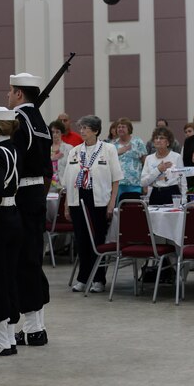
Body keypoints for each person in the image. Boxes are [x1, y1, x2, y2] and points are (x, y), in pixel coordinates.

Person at [8, 72, 52, 347]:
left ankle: (28, 327)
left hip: (21, 193)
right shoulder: (41, 122)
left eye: (10, 91)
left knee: (20, 260)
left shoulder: (18, 120)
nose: (8, 96)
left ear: (19, 94)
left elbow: (14, 161)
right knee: (32, 258)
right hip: (37, 193)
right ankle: (36, 325)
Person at [63, 115, 122, 294]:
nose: (82, 131)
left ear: (96, 131)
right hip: (77, 199)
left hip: (99, 200)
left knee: (97, 240)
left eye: (86, 128)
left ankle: (98, 279)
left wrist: (111, 203)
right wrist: (66, 205)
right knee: (81, 240)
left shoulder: (108, 149)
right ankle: (83, 278)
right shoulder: (75, 151)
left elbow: (116, 179)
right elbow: (67, 181)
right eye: (81, 128)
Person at [0, 106, 23, 356]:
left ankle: (1, 340)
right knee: (10, 276)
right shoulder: (13, 148)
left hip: (0, 216)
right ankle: (8, 337)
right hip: (14, 214)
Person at [141, 126, 184, 205]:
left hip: (173, 192)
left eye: (161, 138)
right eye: (156, 138)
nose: (158, 140)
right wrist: (158, 170)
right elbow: (143, 182)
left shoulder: (176, 157)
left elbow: (183, 181)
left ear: (168, 142)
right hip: (155, 193)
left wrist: (184, 200)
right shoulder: (149, 158)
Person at [114, 117, 146, 202]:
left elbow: (145, 163)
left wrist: (145, 185)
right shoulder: (113, 145)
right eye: (119, 127)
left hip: (135, 184)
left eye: (123, 127)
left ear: (129, 129)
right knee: (120, 210)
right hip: (119, 184)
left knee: (135, 209)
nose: (120, 129)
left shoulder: (138, 142)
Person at [49, 119, 72, 192]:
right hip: (48, 186)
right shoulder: (45, 148)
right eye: (52, 132)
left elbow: (72, 169)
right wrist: (51, 158)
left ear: (62, 133)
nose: (55, 134)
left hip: (63, 185)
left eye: (57, 132)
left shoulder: (69, 148)